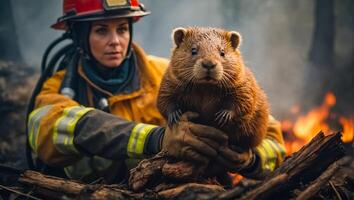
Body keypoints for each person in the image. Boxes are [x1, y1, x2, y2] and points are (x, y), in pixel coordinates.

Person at [27, 0, 286, 184]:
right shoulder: (58, 87)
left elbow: (272, 135)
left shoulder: (165, 73)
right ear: (79, 35)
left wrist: (251, 160)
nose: (115, 41)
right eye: (101, 30)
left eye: (122, 28)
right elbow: (43, 128)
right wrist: (156, 139)